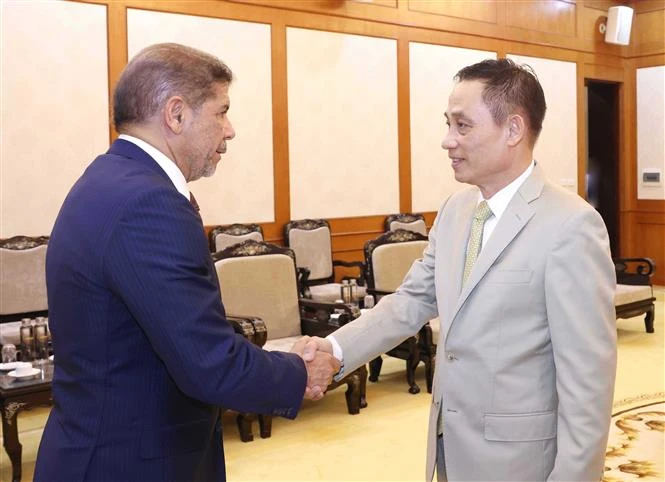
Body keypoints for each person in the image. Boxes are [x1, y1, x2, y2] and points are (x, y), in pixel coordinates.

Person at [34, 43, 338, 481]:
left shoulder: (107, 179)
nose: (230, 130)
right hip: (130, 464)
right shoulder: (147, 202)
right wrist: (300, 372)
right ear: (176, 115)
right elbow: (207, 362)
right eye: (221, 112)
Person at [304, 58, 617, 481]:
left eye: (462, 126)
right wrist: (334, 351)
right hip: (450, 449)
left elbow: (588, 382)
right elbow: (412, 301)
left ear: (513, 130)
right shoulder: (455, 211)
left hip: (521, 462)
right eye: (447, 124)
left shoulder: (571, 226)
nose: (447, 141)